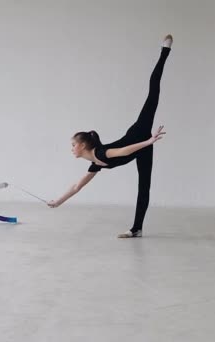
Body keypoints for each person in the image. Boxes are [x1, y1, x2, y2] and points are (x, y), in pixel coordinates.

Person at [48, 34, 173, 238]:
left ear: (82, 146)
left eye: (73, 145)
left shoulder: (102, 153)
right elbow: (77, 186)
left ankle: (164, 51)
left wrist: (148, 140)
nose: (71, 149)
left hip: (139, 133)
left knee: (153, 91)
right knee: (144, 188)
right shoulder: (95, 163)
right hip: (143, 147)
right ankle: (137, 229)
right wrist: (58, 202)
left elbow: (123, 151)